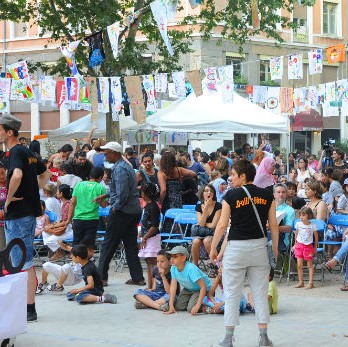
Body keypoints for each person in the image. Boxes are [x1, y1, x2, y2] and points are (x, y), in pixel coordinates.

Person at [210, 159, 279, 347]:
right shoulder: (267, 195)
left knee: (232, 293)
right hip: (259, 247)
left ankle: (228, 338)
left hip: (236, 248)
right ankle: (264, 337)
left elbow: (223, 225)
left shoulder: (231, 196)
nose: (230, 178)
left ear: (243, 176)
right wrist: (274, 249)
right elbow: (273, 225)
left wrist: (213, 247)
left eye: (233, 174)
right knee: (260, 292)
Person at [0, 113, 50, 322]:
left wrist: (9, 200)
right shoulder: (28, 151)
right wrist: (33, 191)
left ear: (9, 131)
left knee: (23, 262)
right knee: (20, 260)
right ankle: (25, 307)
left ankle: (28, 308)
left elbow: (18, 175)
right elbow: (45, 174)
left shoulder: (16, 153)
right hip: (25, 213)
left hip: (19, 214)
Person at [96, 142, 144, 287]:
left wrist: (115, 208)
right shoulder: (126, 166)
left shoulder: (120, 169)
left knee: (108, 244)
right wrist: (105, 196)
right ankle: (138, 278)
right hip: (132, 210)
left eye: (107, 153)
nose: (105, 155)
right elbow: (121, 188)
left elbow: (122, 194)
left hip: (122, 212)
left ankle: (101, 277)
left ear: (115, 153)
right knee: (130, 245)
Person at [67, 167, 108, 246]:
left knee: (76, 241)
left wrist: (69, 218)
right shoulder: (101, 188)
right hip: (92, 219)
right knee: (89, 242)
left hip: (78, 218)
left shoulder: (79, 185)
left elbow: (72, 203)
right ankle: (88, 258)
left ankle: (76, 257)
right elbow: (103, 205)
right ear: (100, 177)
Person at [165, 246, 211, 316]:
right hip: (189, 289)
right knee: (178, 307)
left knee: (190, 308)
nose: (171, 259)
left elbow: (203, 286)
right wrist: (171, 305)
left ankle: (207, 302)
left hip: (201, 289)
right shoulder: (173, 268)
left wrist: (197, 306)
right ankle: (193, 300)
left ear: (183, 258)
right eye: (171, 256)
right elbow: (173, 287)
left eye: (175, 257)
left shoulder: (191, 269)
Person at [191, 184, 222, 266]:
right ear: (202, 193)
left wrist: (204, 223)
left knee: (207, 240)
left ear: (214, 194)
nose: (209, 193)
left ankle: (216, 265)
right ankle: (195, 266)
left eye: (211, 191)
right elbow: (201, 224)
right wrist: (206, 208)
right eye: (206, 191)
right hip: (201, 232)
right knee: (196, 241)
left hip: (214, 232)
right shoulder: (198, 206)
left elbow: (213, 225)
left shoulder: (218, 206)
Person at [138, 183, 161, 289]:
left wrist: (145, 237)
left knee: (153, 263)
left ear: (146, 194)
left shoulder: (153, 207)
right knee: (148, 263)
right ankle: (150, 285)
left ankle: (156, 286)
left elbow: (154, 226)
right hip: (147, 237)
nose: (141, 194)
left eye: (142, 192)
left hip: (152, 238)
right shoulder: (148, 206)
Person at [43, 184, 73, 261]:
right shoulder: (62, 203)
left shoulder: (67, 205)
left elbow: (66, 222)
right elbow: (61, 220)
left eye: (58, 191)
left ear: (61, 193)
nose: (56, 193)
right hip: (64, 227)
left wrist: (51, 226)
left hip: (68, 229)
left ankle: (71, 251)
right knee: (45, 233)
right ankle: (59, 252)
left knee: (49, 239)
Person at [293, 207, 318, 289]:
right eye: (300, 215)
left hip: (308, 246)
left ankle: (311, 283)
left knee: (310, 265)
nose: (301, 217)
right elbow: (296, 234)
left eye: (303, 215)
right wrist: (295, 244)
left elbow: (316, 237)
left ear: (309, 215)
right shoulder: (298, 224)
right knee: (299, 265)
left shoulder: (313, 226)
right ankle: (301, 282)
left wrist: (315, 247)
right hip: (299, 246)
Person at [273, 184, 295, 253]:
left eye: (283, 192)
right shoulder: (267, 207)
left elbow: (288, 228)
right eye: (278, 192)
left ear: (286, 194)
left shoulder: (290, 210)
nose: (281, 194)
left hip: (281, 242)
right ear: (274, 194)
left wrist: (271, 227)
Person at [0, 162, 7, 251]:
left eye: (3, 173)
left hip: (12, 221)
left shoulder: (12, 183)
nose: (1, 176)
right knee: (1, 248)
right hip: (1, 224)